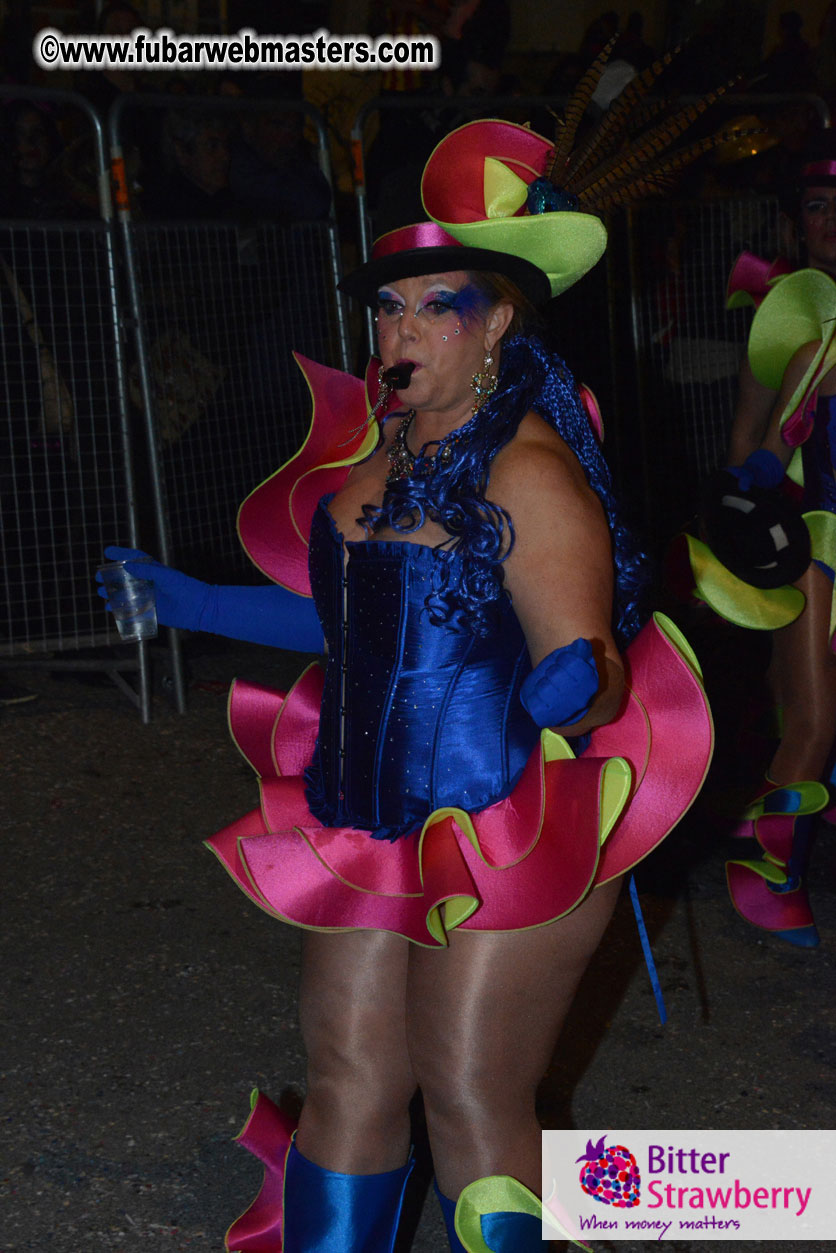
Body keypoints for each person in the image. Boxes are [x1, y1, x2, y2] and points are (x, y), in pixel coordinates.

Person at [99, 119, 712, 1251]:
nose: (401, 329)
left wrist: (566, 682)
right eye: (388, 307)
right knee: (344, 1073)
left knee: (471, 1098)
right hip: (372, 817)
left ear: (498, 326)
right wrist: (193, 601)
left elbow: (586, 674)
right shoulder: (376, 459)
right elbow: (347, 625)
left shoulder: (528, 468)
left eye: (438, 305)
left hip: (515, 822)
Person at [692, 139, 836, 947]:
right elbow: (751, 444)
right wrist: (741, 521)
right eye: (817, 207)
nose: (833, 223)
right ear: (795, 224)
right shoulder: (791, 327)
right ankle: (765, 870)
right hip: (815, 542)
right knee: (810, 719)